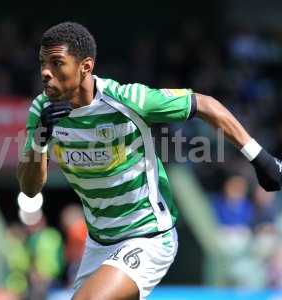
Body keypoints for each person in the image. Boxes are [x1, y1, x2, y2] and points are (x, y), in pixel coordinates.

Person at [17, 22, 282, 300]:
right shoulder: (41, 111)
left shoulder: (126, 99)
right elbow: (30, 188)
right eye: (43, 63)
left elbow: (205, 104)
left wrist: (260, 158)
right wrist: (40, 139)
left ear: (85, 66)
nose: (46, 72)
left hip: (148, 236)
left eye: (57, 63)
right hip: (99, 244)